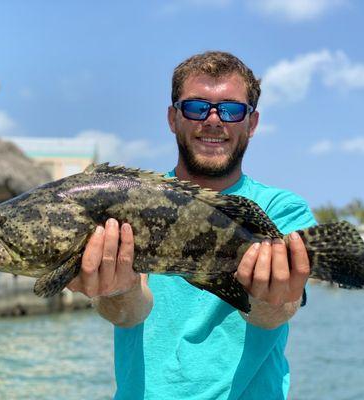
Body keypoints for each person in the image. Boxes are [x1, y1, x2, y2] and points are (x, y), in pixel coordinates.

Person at [67, 51, 316, 400]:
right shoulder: (134, 201)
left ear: (252, 123)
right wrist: (116, 290)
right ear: (173, 118)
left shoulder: (281, 209)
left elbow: (276, 314)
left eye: (231, 110)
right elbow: (131, 313)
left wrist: (272, 297)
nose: (214, 120)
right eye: (197, 107)